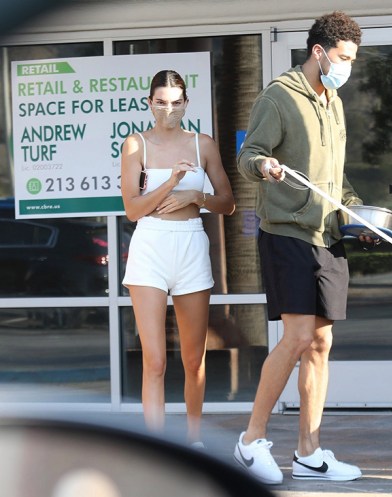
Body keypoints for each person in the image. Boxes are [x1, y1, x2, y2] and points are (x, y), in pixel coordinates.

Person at [234, 11, 372, 485]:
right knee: (295, 337)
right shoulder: (278, 96)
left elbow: (337, 179)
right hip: (287, 230)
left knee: (320, 341)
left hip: (328, 235)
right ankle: (251, 440)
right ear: (319, 52)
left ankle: (309, 453)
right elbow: (247, 155)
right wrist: (266, 166)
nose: (348, 67)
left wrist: (355, 211)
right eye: (344, 57)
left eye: (352, 59)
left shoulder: (332, 102)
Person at [120, 69, 236, 446]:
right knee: (154, 361)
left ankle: (194, 441)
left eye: (175, 103)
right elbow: (133, 211)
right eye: (160, 102)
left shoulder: (203, 144)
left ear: (186, 103)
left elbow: (228, 203)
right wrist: (171, 182)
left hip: (190, 244)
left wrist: (195, 197)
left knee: (193, 360)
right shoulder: (136, 145)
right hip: (150, 245)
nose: (168, 110)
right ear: (149, 103)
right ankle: (155, 449)